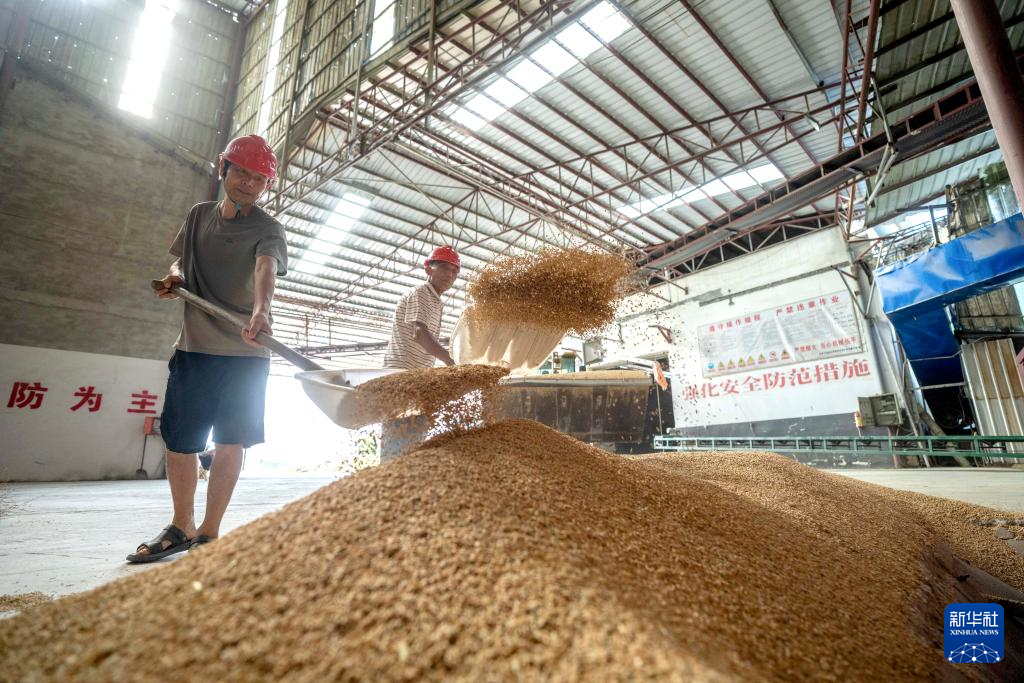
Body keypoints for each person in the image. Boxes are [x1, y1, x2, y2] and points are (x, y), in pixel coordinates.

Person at [127, 135, 288, 563]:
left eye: (259, 178)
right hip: (194, 348)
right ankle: (181, 524)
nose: (248, 183)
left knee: (231, 441)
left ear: (266, 185)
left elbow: (265, 268)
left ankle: (210, 531)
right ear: (224, 170)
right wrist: (176, 277)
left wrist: (261, 311)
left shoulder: (268, 228)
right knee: (180, 440)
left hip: (246, 351)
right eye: (241, 172)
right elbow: (179, 258)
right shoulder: (199, 216)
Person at [378, 245, 460, 461]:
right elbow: (419, 334)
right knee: (400, 435)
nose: (449, 275)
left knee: (414, 435)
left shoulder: (436, 301)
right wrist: (452, 362)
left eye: (454, 271)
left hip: (417, 378)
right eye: (444, 267)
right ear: (429, 270)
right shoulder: (422, 294)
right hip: (402, 376)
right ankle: (390, 481)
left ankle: (403, 481)